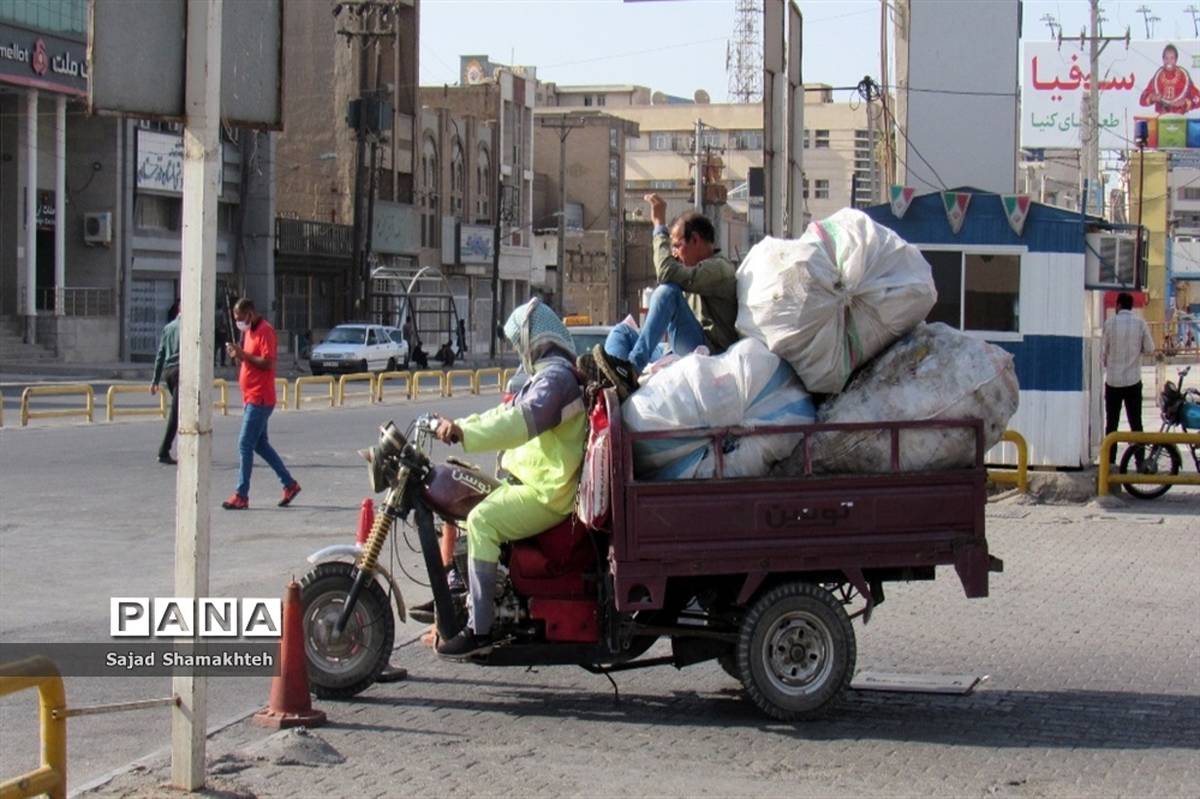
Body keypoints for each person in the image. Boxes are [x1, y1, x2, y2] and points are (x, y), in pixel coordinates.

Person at [431, 297, 586, 658]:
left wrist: (463, 435)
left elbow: (519, 423)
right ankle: (468, 595)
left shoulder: (556, 380)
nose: (519, 351)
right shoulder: (546, 375)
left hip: (548, 491)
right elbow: (502, 412)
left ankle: (479, 630)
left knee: (482, 521)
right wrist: (461, 426)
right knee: (468, 496)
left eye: (519, 343)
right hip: (532, 481)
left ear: (534, 340)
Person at [591, 193, 738, 399]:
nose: (675, 254)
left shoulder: (718, 269)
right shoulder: (697, 270)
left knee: (667, 291)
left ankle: (632, 368)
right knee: (622, 332)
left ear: (695, 240)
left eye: (677, 246)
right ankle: (611, 382)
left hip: (708, 352)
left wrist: (659, 225)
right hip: (677, 349)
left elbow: (666, 272)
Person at [221, 297, 301, 510]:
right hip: (250, 397)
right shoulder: (248, 332)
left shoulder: (266, 330)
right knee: (260, 445)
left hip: (261, 397)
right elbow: (249, 359)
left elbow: (267, 363)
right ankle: (289, 484)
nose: (238, 322)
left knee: (245, 443)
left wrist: (243, 355)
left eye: (240, 318)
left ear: (250, 314)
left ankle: (242, 494)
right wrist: (237, 355)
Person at [1102, 292, 1156, 466]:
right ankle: (1140, 462)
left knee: (1112, 424)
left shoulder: (1109, 324)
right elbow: (1150, 348)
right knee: (1136, 423)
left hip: (1113, 382)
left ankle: (1110, 463)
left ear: (1118, 306)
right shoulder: (1140, 324)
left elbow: (1103, 351)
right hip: (1133, 381)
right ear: (1131, 307)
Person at [150, 309, 182, 465]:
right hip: (180, 371)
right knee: (176, 414)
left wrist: (155, 380)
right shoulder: (188, 327)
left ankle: (184, 447)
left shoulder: (168, 327)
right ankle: (164, 450)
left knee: (182, 411)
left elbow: (160, 354)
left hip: (168, 372)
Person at [1139, 43, 1200, 114]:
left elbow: (1198, 99)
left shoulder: (1184, 77)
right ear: (1163, 59)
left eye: (1172, 58)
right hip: (1162, 120)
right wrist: (1153, 98)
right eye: (1166, 58)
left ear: (1176, 59)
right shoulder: (1157, 78)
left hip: (1180, 120)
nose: (1169, 61)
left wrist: (1185, 102)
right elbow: (1142, 100)